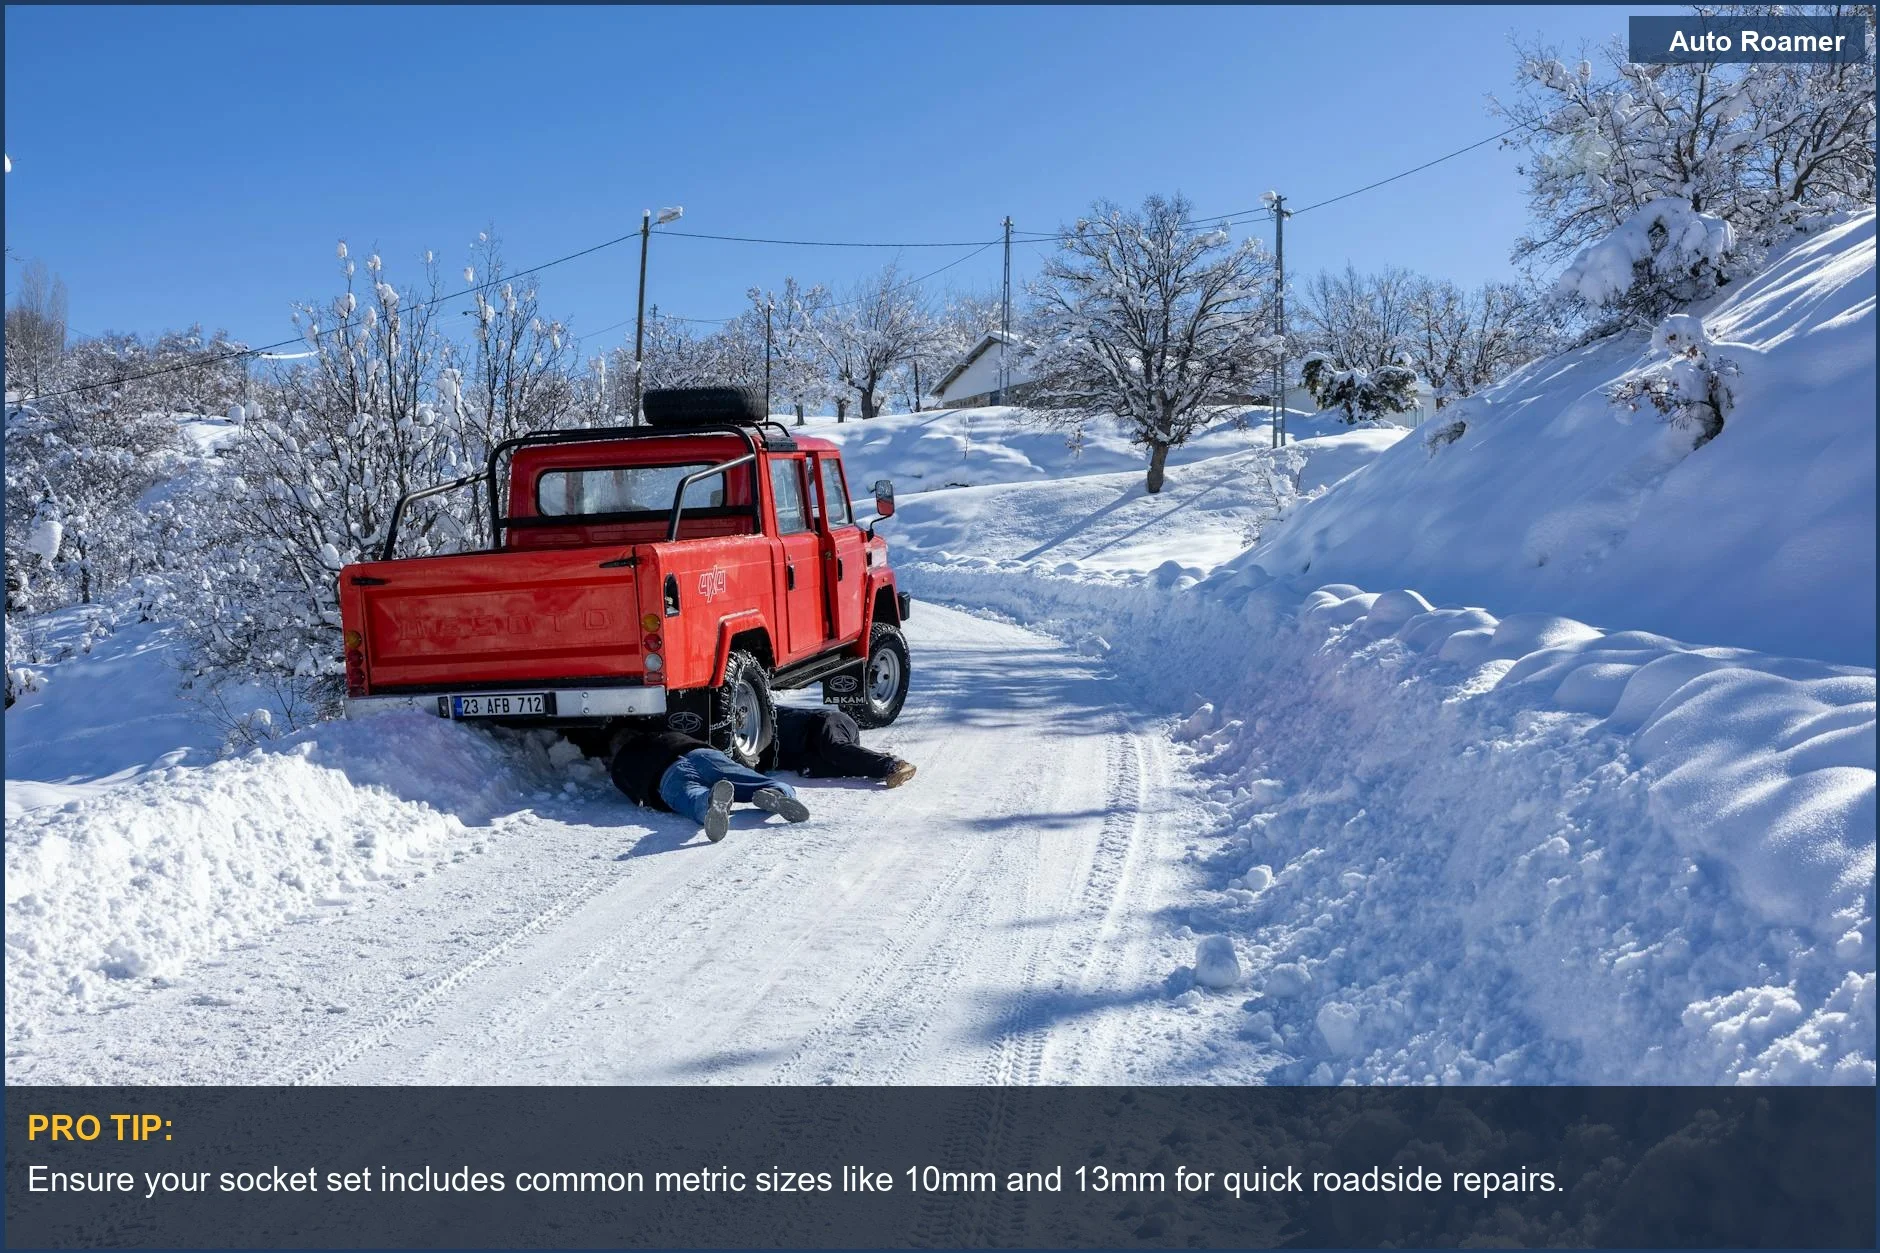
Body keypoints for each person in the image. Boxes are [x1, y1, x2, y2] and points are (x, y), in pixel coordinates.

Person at [608, 728, 809, 842]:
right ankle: (776, 792)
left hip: (667, 773)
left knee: (692, 797)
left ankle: (709, 802)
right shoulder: (664, 732)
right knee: (757, 780)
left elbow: (639, 797)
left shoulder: (620, 765)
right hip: (702, 755)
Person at [774, 706, 916, 787]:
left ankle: (894, 765)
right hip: (808, 752)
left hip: (826, 722)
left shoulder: (758, 715)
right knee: (810, 770)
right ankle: (875, 760)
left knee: (834, 747)